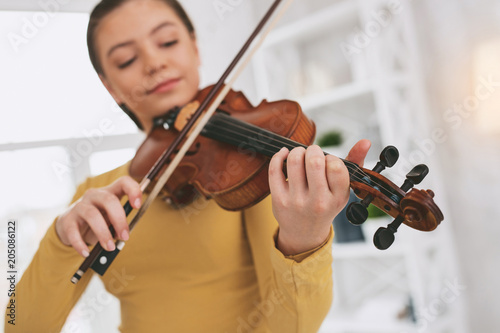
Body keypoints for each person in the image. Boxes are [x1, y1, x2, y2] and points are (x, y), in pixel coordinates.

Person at [5, 0, 370, 332]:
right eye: (126, 60)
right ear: (111, 87)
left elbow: (293, 328)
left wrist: (305, 239)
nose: (154, 63)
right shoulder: (96, 197)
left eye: (167, 42)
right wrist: (58, 241)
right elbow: (20, 327)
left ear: (194, 48)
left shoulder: (249, 168)